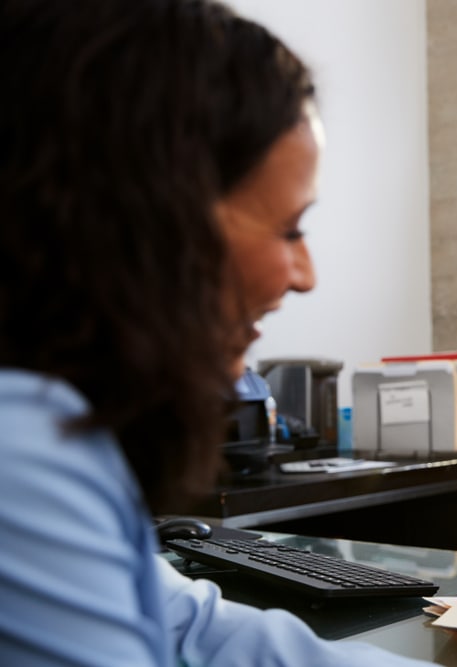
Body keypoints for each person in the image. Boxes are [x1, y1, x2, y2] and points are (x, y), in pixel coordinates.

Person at [0, 1, 434, 665]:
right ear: (152, 220)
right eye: (290, 229)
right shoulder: (24, 446)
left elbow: (185, 625)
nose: (305, 274)